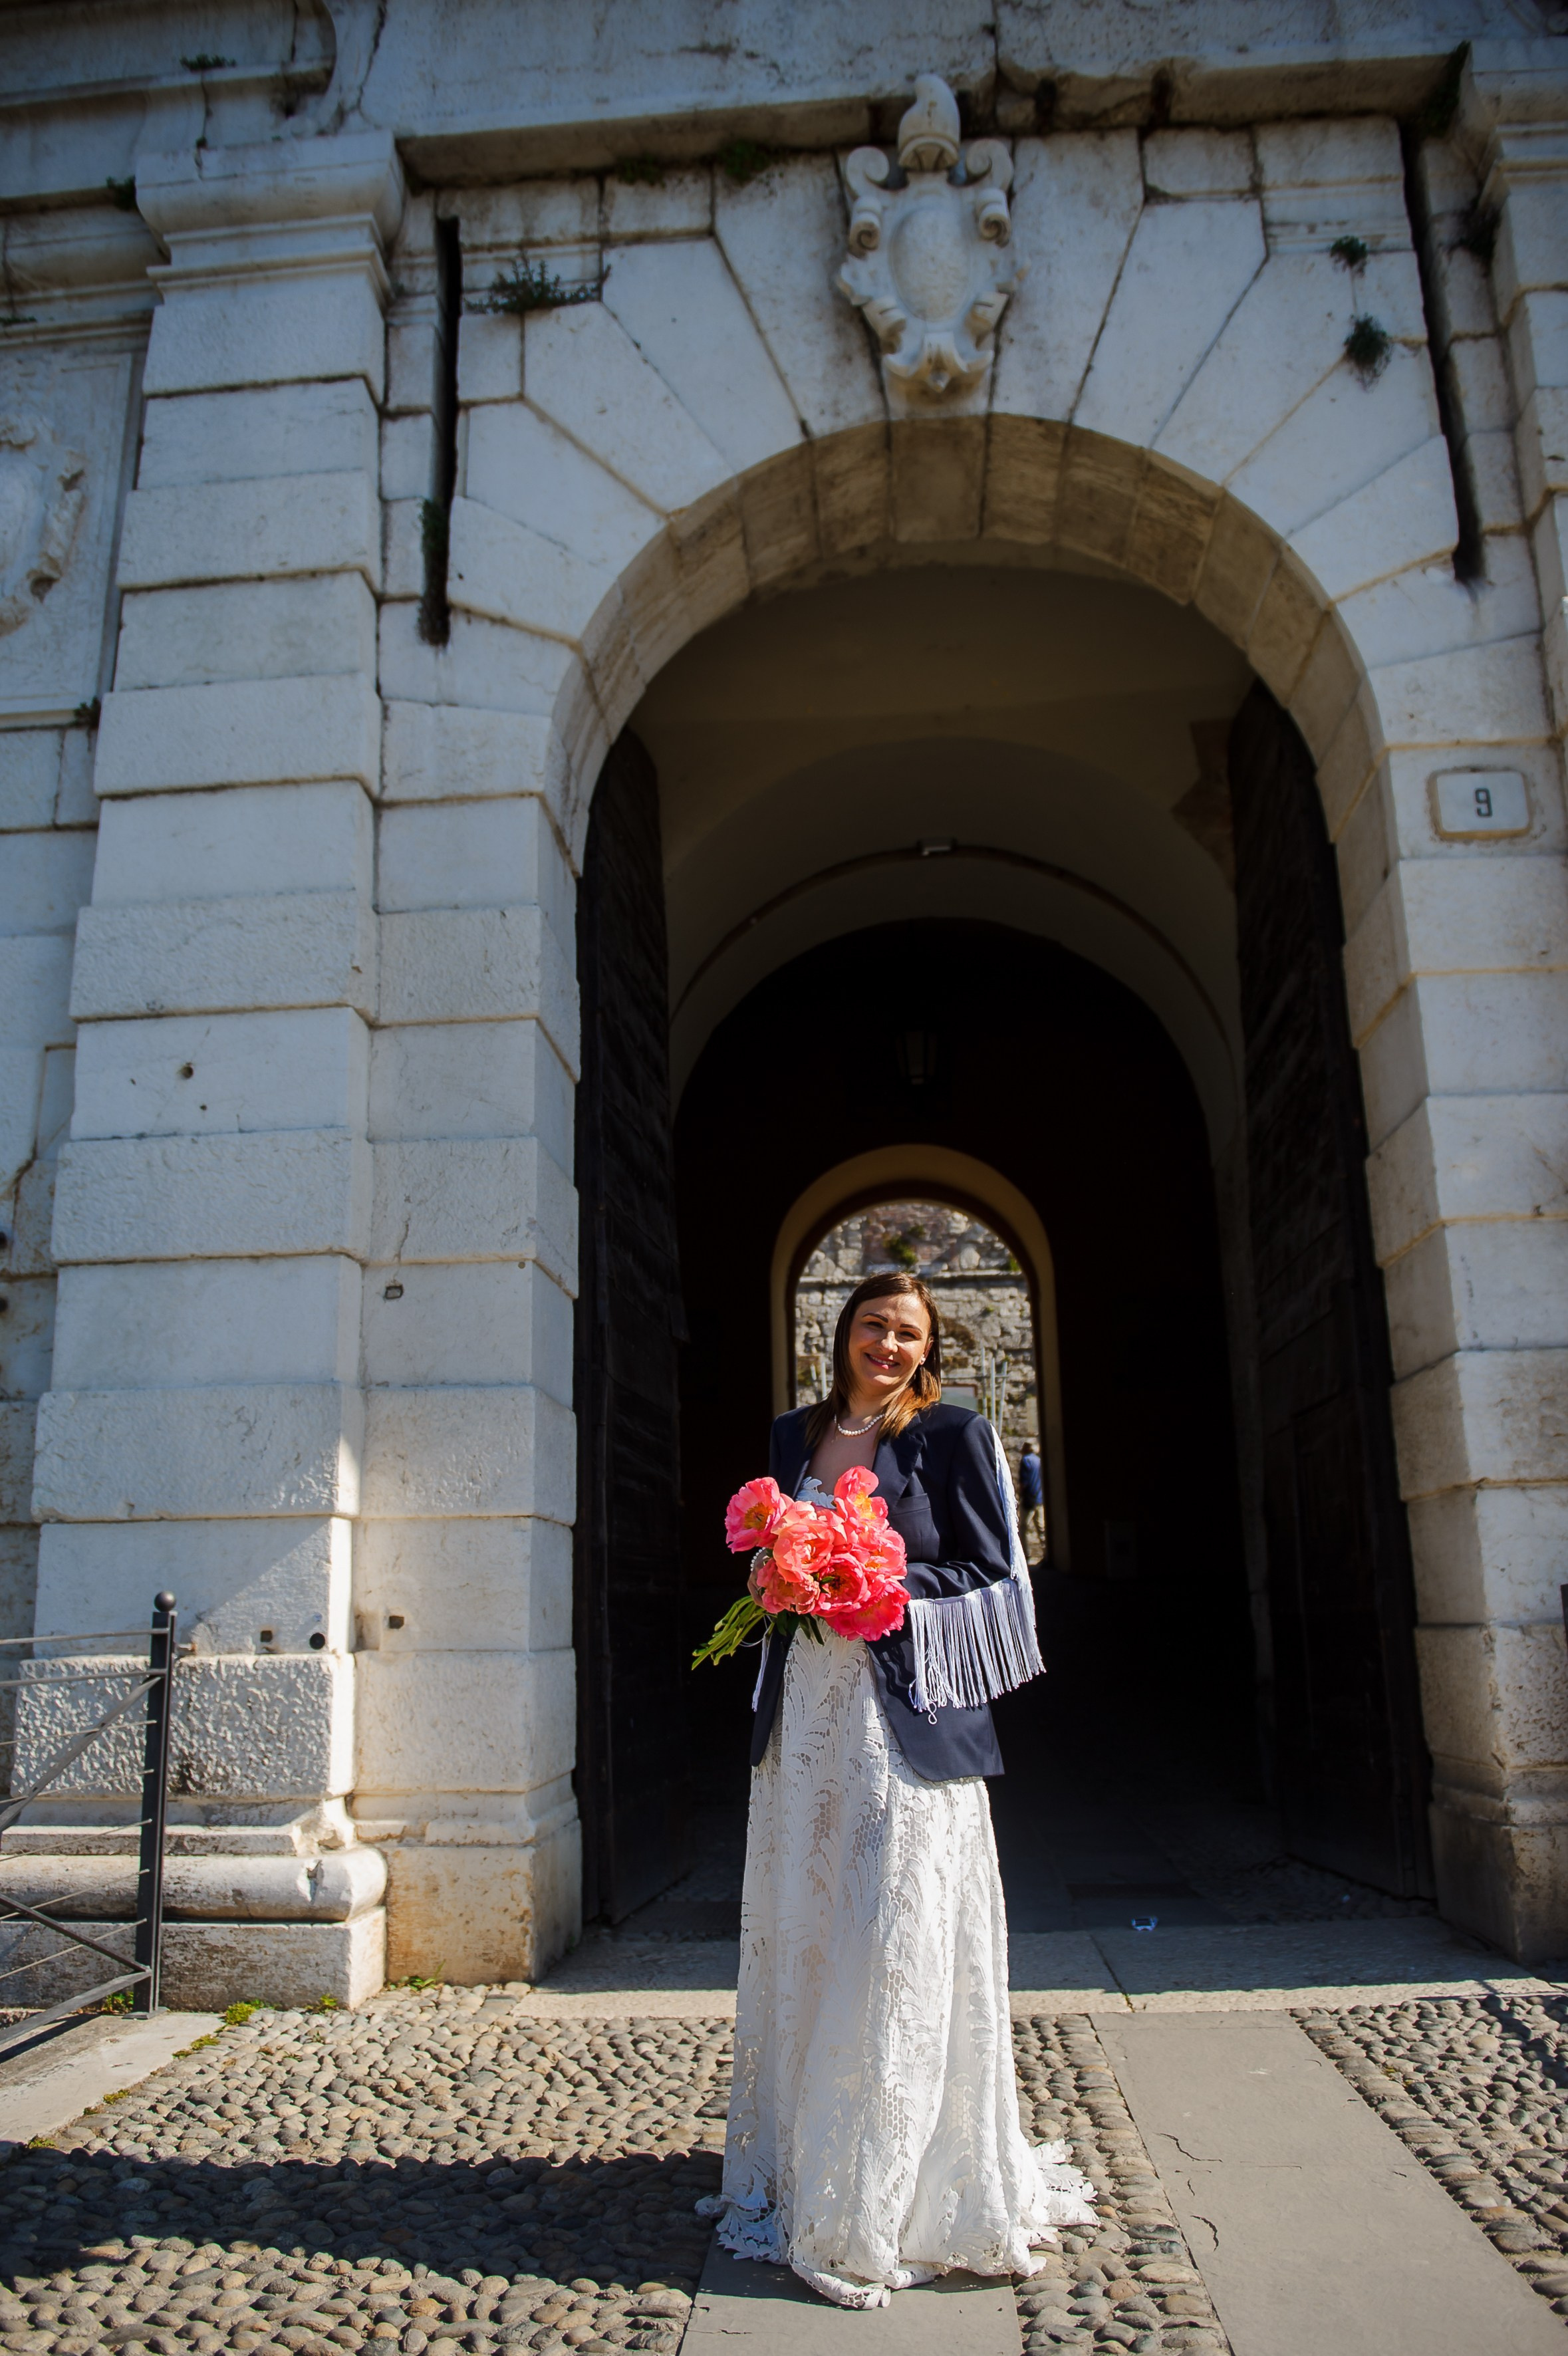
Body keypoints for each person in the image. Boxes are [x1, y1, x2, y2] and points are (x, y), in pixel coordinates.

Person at [699, 1271, 1096, 2307]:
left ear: (928, 1349)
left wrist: (875, 1579)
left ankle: (893, 2187)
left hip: (904, 1720)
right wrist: (779, 1576)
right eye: (873, 1322)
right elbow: (762, 1557)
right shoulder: (792, 1434)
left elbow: (993, 1576)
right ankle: (809, 2165)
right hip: (808, 1724)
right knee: (812, 1927)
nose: (888, 1342)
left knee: (895, 1932)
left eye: (908, 1332)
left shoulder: (954, 1434)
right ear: (844, 1329)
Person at [1018, 1436, 1047, 1561]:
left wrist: (1020, 1496)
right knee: (1041, 1527)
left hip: (1029, 1499)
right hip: (1040, 1499)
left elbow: (1023, 1483)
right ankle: (1045, 1551)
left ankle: (1026, 1555)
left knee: (1023, 1527)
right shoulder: (1039, 1460)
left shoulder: (1025, 1461)